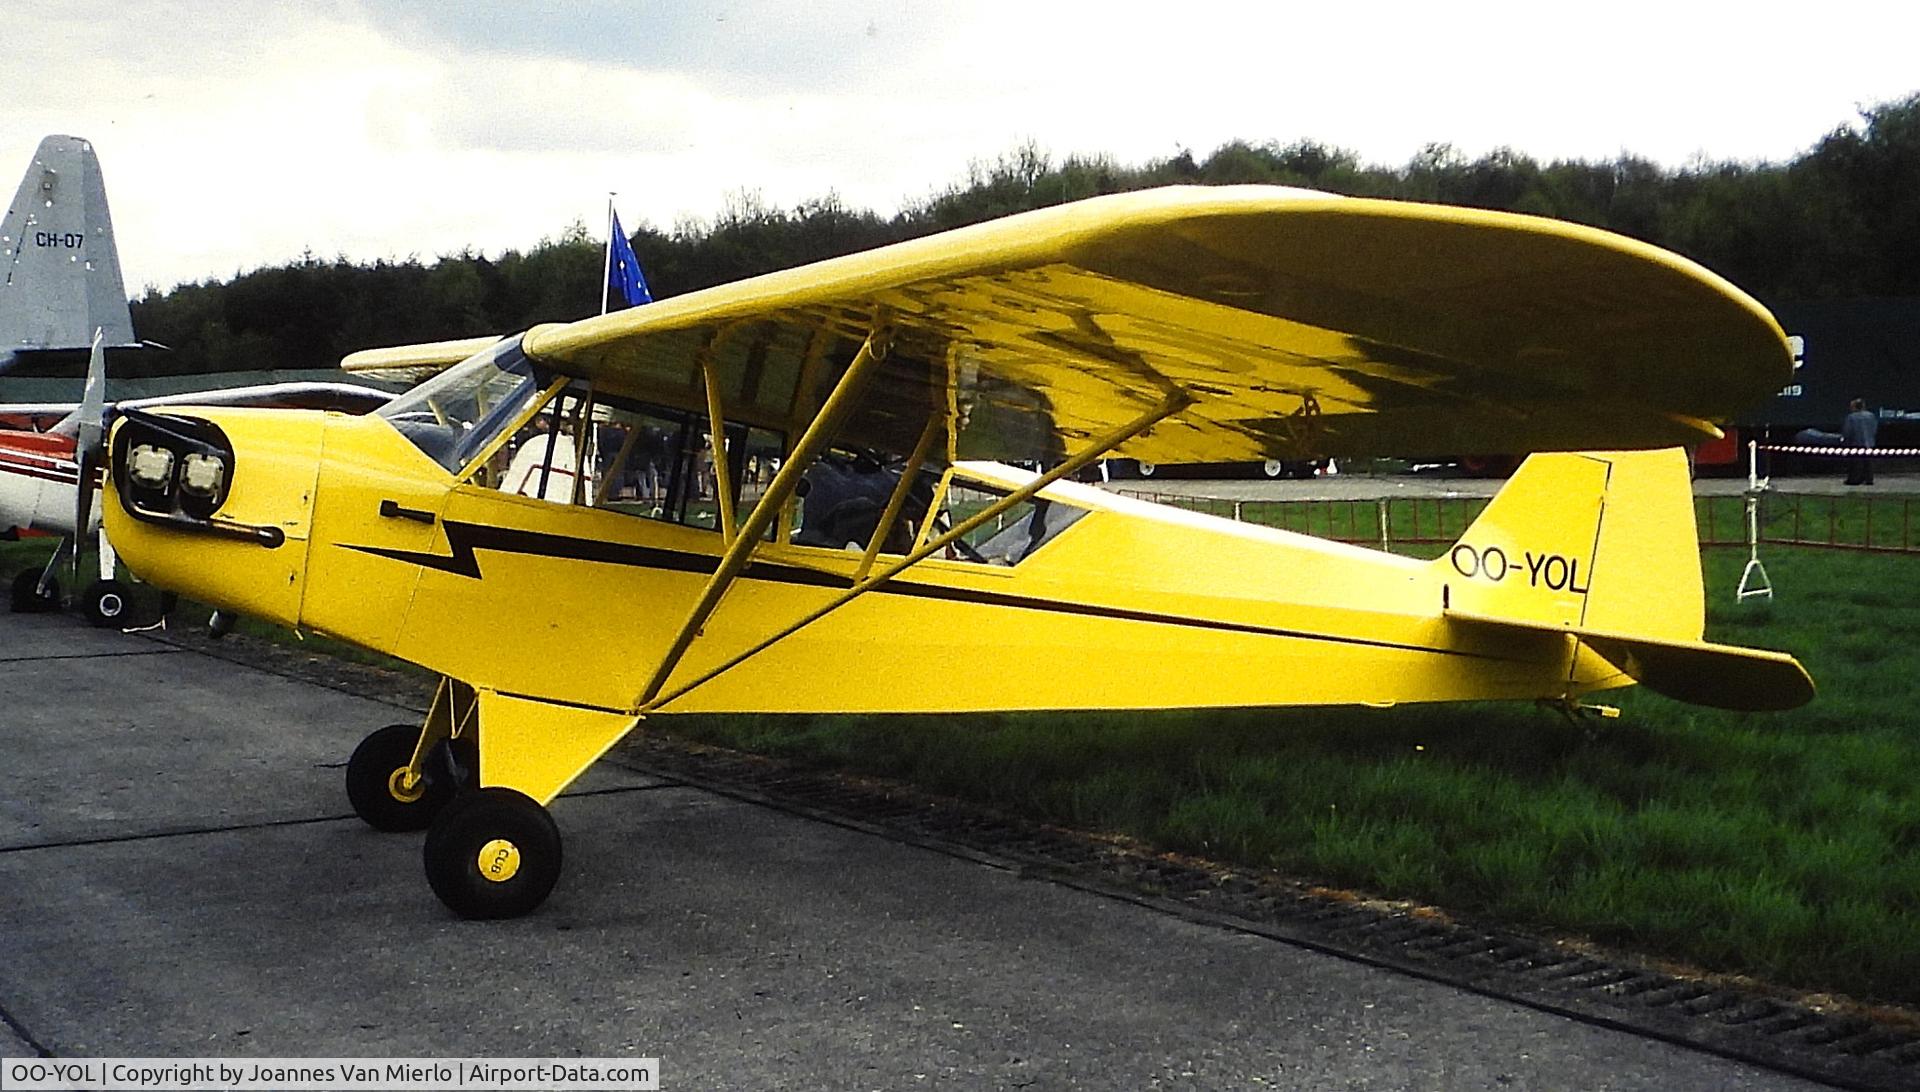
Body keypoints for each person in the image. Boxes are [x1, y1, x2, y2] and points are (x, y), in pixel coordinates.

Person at [1842, 397, 1878, 486]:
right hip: (1869, 442)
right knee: (1868, 462)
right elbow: (1874, 428)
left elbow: (1848, 431)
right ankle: (1869, 479)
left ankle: (1854, 479)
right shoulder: (1871, 416)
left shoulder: (1851, 417)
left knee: (1856, 463)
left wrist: (1845, 440)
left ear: (1855, 407)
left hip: (1856, 442)